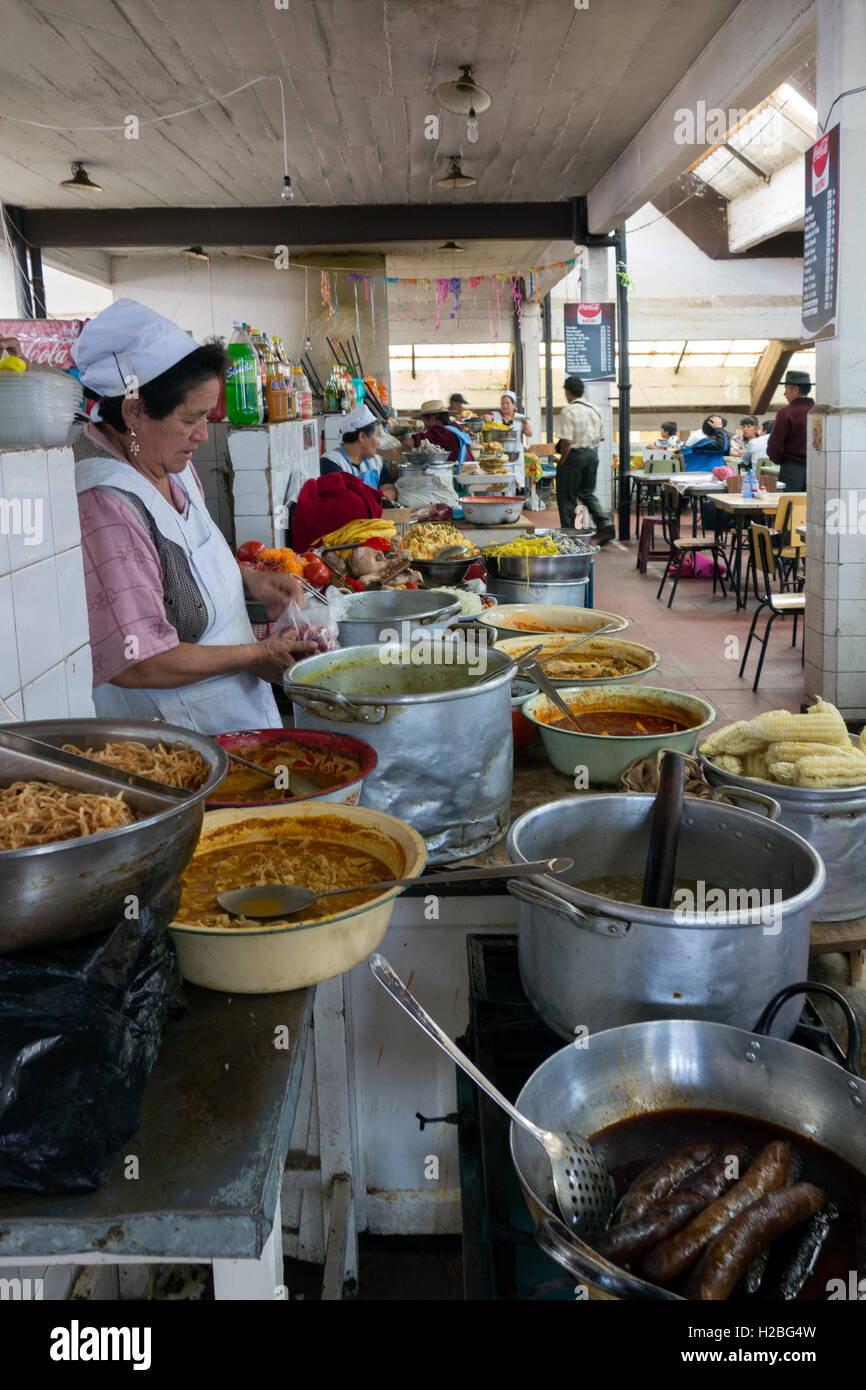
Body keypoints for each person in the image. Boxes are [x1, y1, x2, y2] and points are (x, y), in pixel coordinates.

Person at [71, 298, 316, 734]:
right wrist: (260, 655)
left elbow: (176, 566)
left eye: (207, 416)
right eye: (191, 419)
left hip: (234, 717)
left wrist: (246, 578)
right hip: (175, 742)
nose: (203, 435)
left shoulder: (172, 469)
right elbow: (139, 662)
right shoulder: (104, 502)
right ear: (133, 411)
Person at [555, 375, 614, 544]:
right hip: (592, 456)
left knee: (567, 498)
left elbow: (566, 441)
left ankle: (571, 534)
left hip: (574, 457)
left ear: (567, 392)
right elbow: (602, 437)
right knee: (587, 493)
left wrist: (562, 462)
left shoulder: (568, 411)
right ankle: (605, 523)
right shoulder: (595, 409)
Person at [319, 404, 397, 500]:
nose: (379, 442)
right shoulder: (331, 462)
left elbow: (389, 488)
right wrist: (376, 502)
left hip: (375, 514)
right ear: (362, 437)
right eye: (377, 435)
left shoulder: (377, 461)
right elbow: (341, 499)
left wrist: (375, 503)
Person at [767, 370, 814, 491]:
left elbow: (775, 445)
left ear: (795, 389)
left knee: (791, 506)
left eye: (786, 389)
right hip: (817, 469)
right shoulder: (818, 412)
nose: (784, 394)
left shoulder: (786, 413)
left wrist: (778, 459)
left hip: (792, 470)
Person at [485, 390, 531, 489]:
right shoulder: (495, 415)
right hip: (498, 455)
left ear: (513, 404)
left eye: (507, 403)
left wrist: (524, 424)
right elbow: (487, 417)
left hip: (515, 455)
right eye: (502, 403)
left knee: (516, 484)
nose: (505, 406)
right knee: (499, 482)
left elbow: (529, 433)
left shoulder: (520, 418)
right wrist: (487, 419)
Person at [408, 399, 473, 463]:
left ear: (432, 419)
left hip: (461, 471)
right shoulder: (455, 427)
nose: (425, 426)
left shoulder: (439, 431)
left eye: (425, 422)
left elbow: (409, 442)